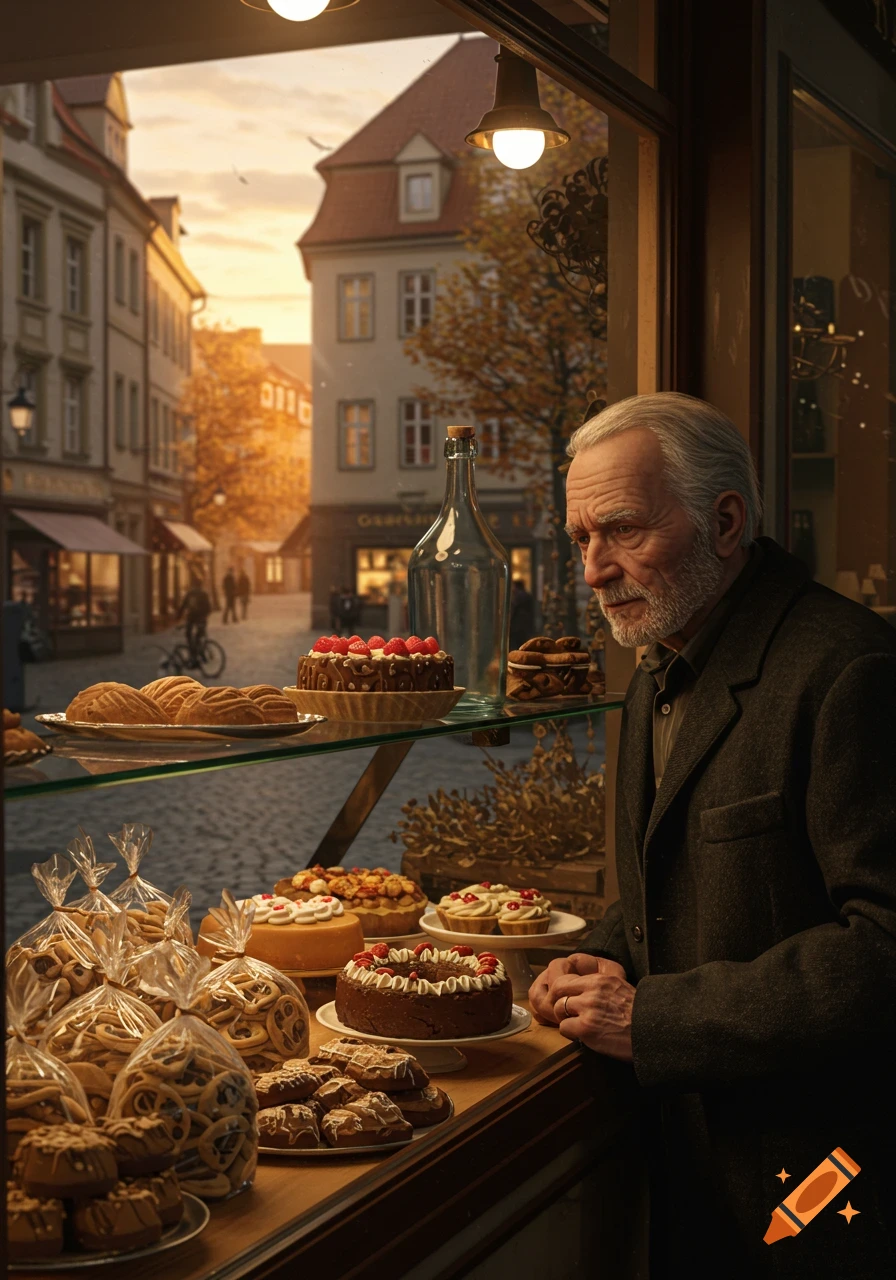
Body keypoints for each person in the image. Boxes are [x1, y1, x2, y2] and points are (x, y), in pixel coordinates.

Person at [528, 392, 896, 1279]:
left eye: (619, 531)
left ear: (726, 521)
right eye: (581, 539)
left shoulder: (850, 671)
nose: (593, 571)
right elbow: (680, 882)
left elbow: (885, 947)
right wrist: (598, 954)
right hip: (688, 1173)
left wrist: (649, 1016)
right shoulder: (657, 667)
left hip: (819, 1191)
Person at [176, 577, 211, 667]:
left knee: (189, 635)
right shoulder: (203, 594)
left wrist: (178, 616)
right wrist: (204, 616)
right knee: (199, 636)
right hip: (200, 619)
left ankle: (193, 655)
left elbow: (183, 605)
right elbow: (209, 608)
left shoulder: (190, 593)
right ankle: (199, 654)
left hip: (191, 618)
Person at [509, 577, 535, 649]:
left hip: (518, 625)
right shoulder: (527, 595)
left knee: (516, 644)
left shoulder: (518, 596)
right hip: (525, 624)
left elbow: (513, 608)